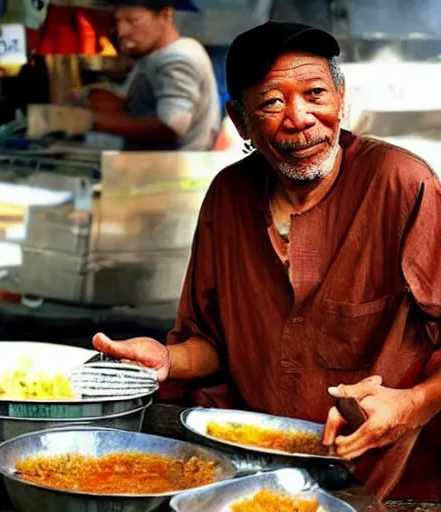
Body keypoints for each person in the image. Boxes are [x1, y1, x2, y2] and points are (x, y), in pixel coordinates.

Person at [91, 20, 441, 501]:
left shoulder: (401, 183)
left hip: (381, 482)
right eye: (272, 102)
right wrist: (168, 360)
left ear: (341, 98)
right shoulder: (228, 195)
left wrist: (412, 404)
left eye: (315, 93)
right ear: (241, 122)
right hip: (251, 474)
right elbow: (215, 345)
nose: (299, 118)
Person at [82, 0, 221, 150]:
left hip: (172, 168)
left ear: (166, 16)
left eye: (133, 21)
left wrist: (95, 122)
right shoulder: (152, 56)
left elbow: (171, 126)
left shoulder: (178, 59)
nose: (122, 32)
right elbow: (133, 103)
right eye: (118, 21)